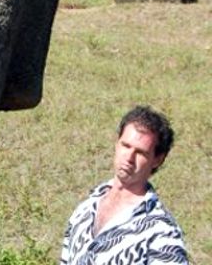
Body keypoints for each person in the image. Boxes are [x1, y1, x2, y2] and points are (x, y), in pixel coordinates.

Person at [60, 105, 189, 264]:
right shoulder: (85, 209)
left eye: (140, 152)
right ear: (116, 143)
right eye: (125, 146)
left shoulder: (162, 231)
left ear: (158, 159)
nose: (129, 157)